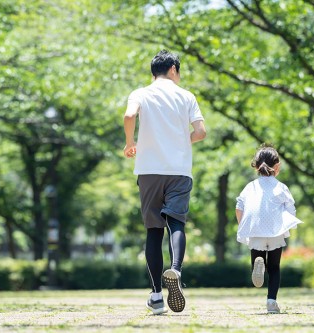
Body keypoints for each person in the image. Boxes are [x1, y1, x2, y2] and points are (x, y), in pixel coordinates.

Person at [123, 50, 207, 315]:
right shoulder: (187, 96)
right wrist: (182, 141)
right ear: (173, 69)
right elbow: (201, 132)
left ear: (153, 73)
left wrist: (130, 143)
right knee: (176, 223)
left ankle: (157, 297)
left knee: (153, 230)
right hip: (179, 170)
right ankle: (177, 270)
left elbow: (129, 116)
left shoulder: (140, 93)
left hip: (149, 170)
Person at [235, 144, 302, 314]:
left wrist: (244, 225)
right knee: (275, 268)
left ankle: (257, 266)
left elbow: (239, 207)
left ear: (256, 166)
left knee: (257, 258)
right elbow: (291, 209)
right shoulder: (281, 187)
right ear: (277, 167)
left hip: (255, 229)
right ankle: (271, 302)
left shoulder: (250, 187)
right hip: (275, 231)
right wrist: (285, 224)